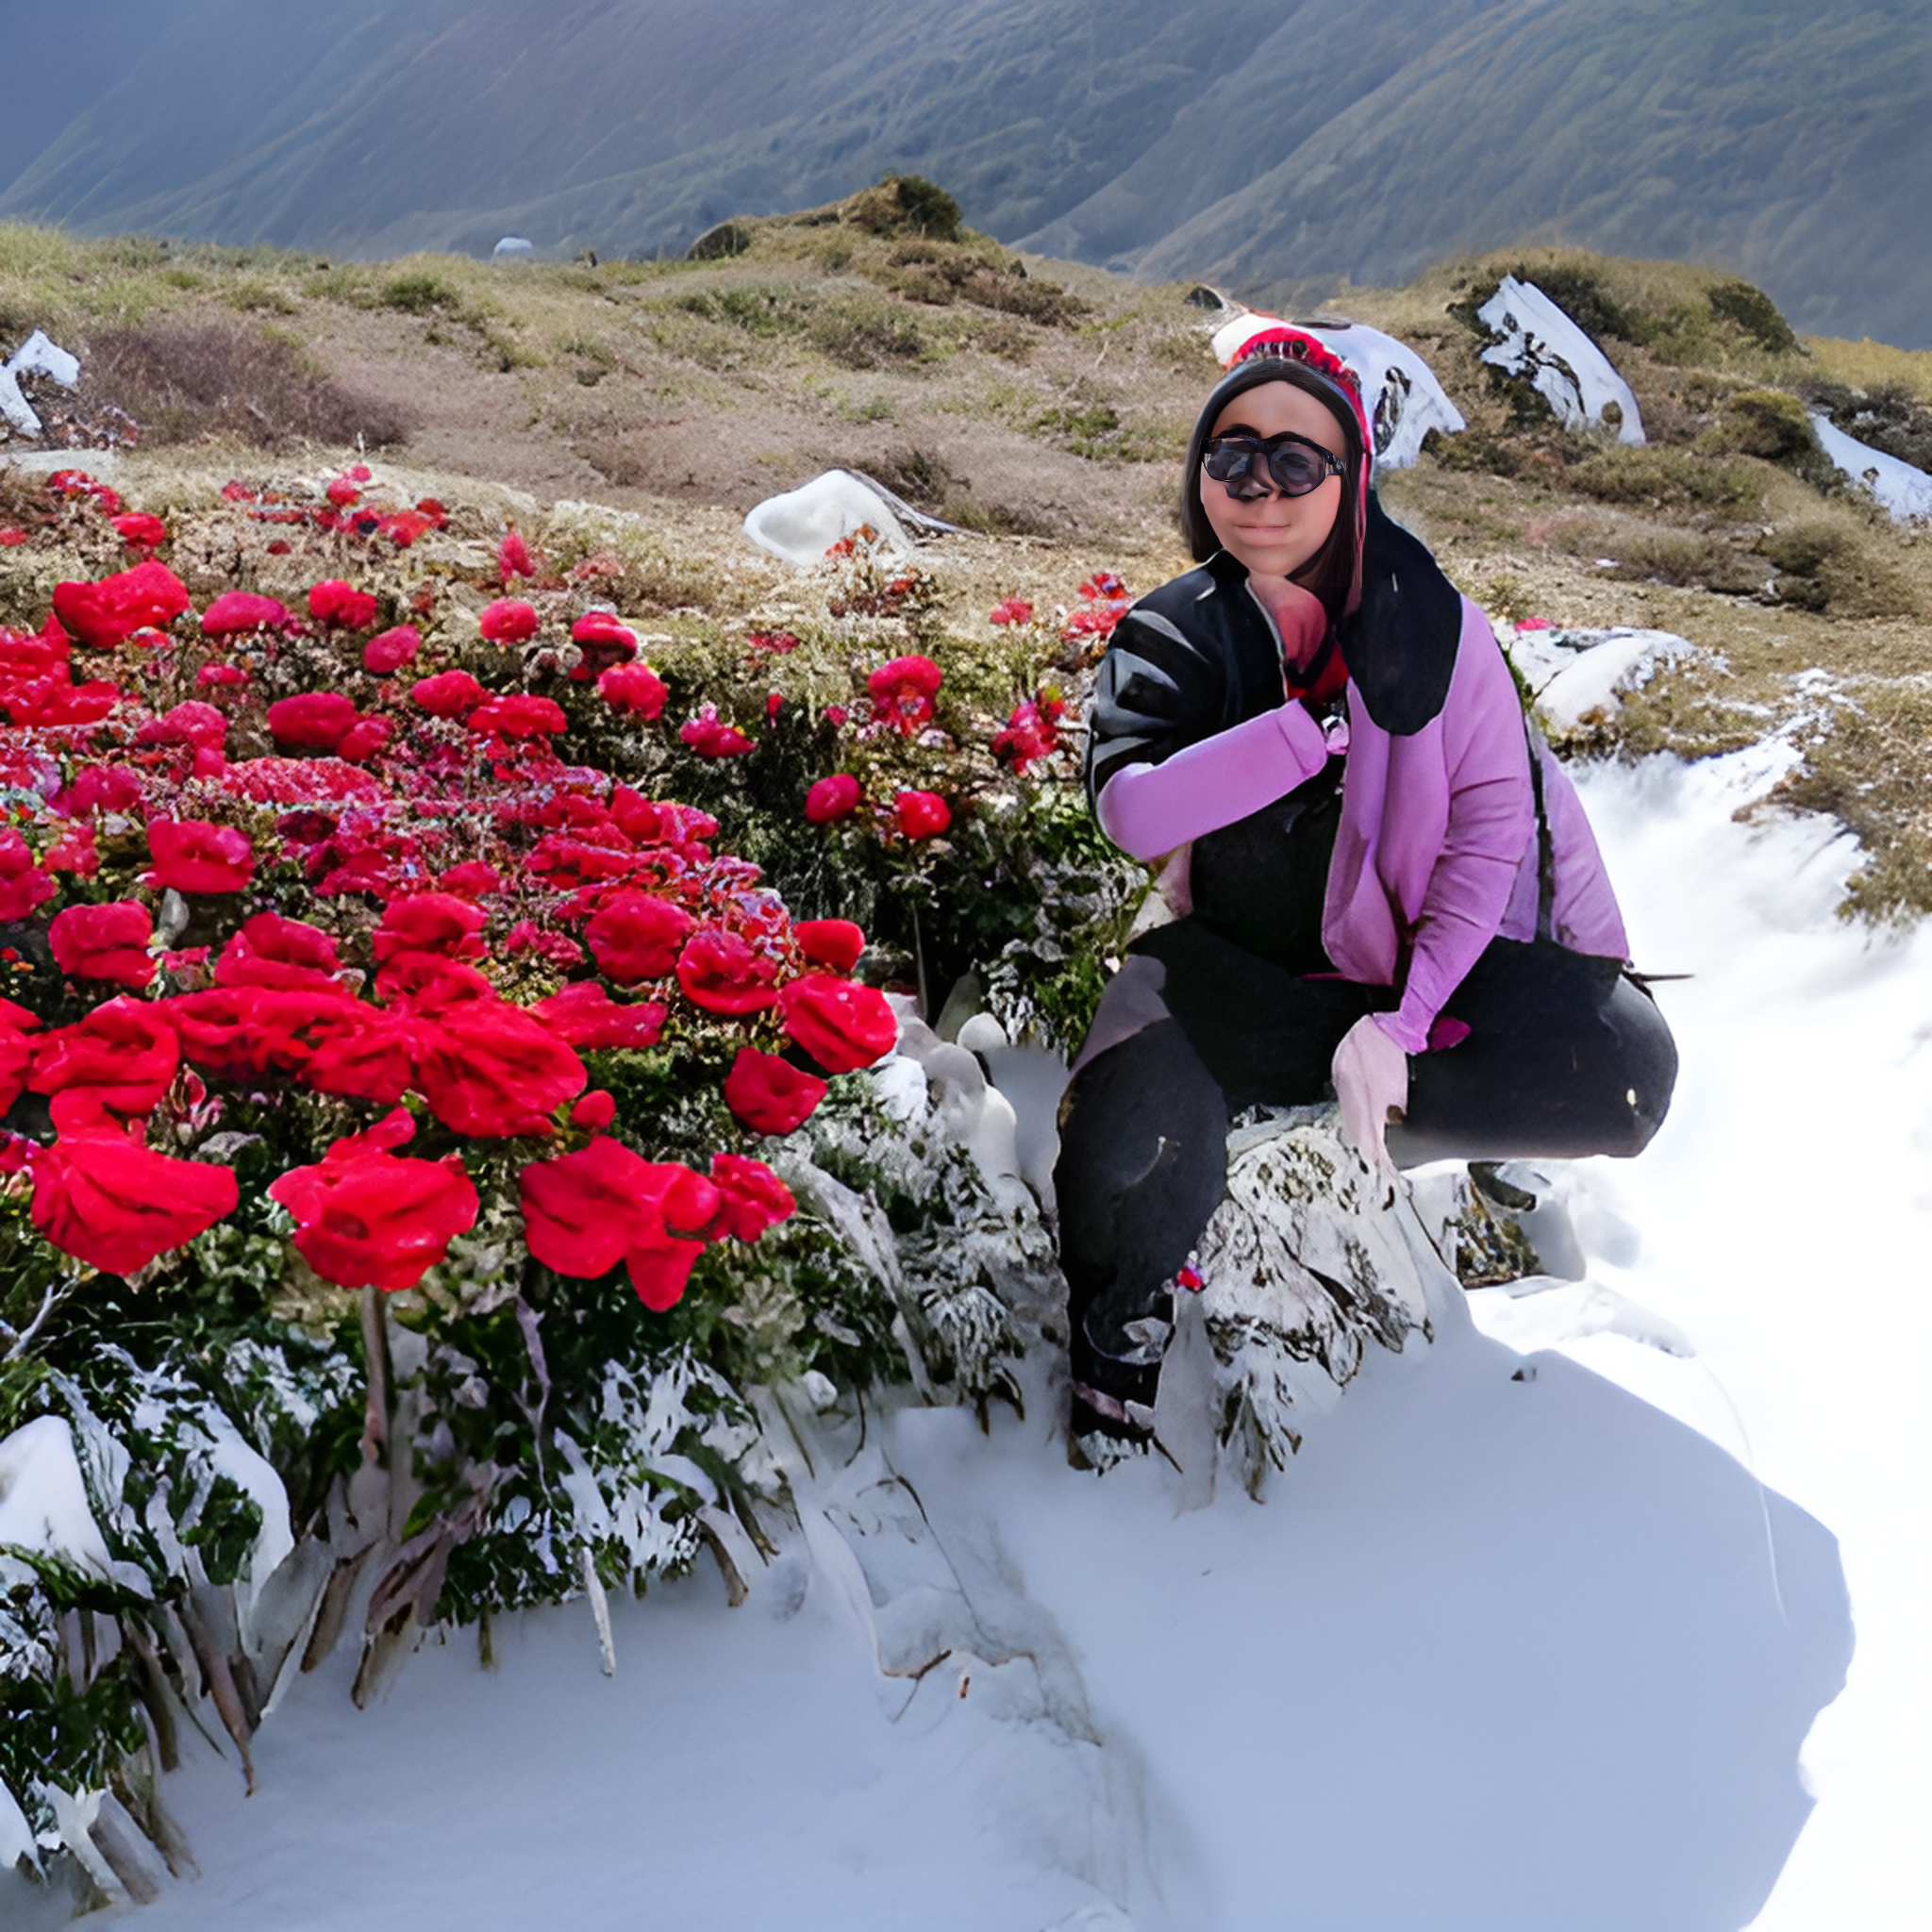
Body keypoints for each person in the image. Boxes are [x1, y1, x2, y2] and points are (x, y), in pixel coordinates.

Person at [1056, 325, 1676, 1440]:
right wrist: (1307, 732)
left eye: (1296, 461)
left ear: (1350, 481)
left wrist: (1402, 1019)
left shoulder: (1433, 631)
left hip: (1399, 970)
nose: (1260, 486)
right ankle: (1120, 1330)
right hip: (1238, 972)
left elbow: (1487, 830)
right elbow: (1132, 811)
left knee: (1621, 1070)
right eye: (1231, 455)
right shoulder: (1173, 632)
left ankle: (1342, 1138)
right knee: (1124, 1142)